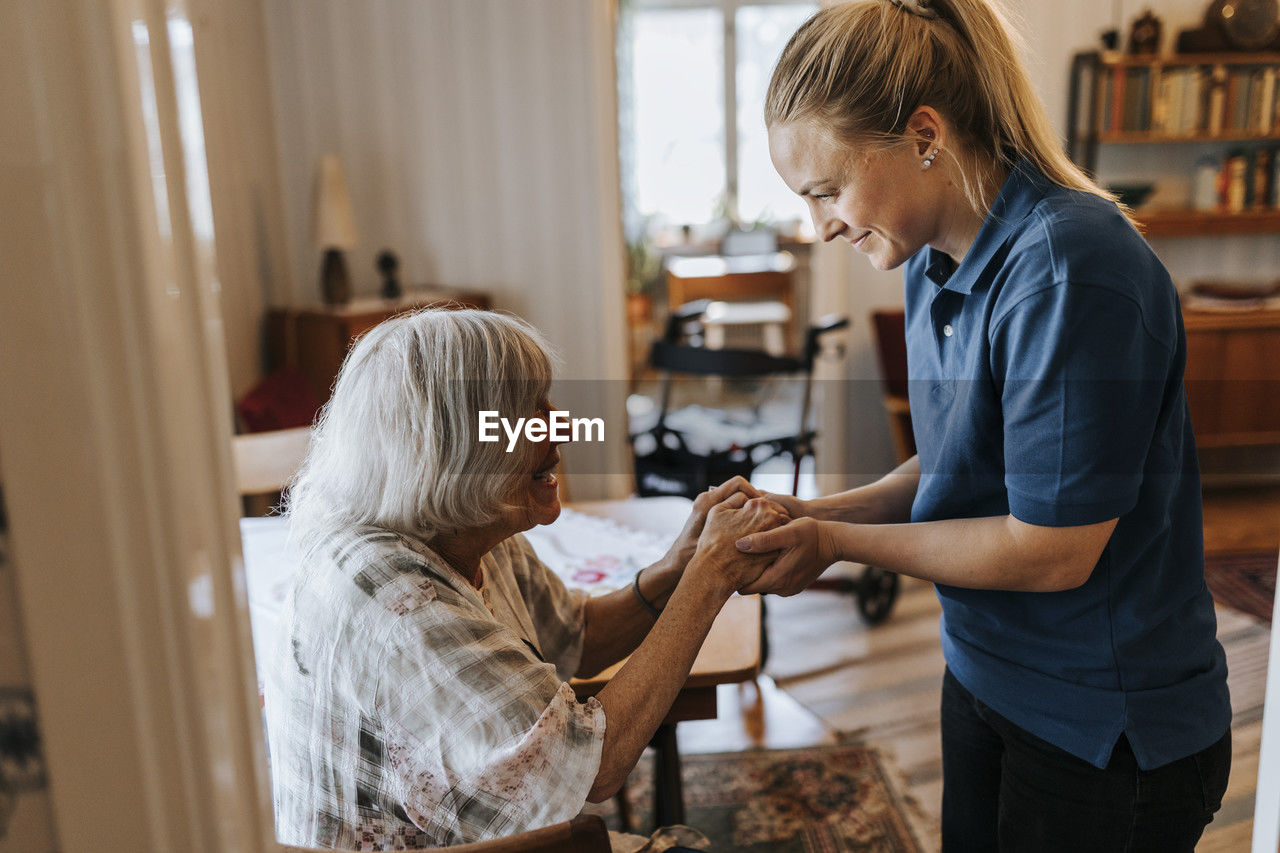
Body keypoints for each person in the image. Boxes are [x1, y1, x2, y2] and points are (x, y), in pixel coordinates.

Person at [737, 1, 1232, 850]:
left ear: (924, 134)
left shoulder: (1070, 267)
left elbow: (1052, 547)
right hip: (986, 671)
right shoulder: (930, 258)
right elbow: (951, 467)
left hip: (1103, 719)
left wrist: (837, 547)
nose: (820, 226)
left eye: (827, 190)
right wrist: (807, 517)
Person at [265, 308, 787, 849]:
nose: (560, 423)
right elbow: (589, 769)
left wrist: (680, 565)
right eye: (527, 412)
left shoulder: (466, 530)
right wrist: (709, 578)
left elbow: (577, 634)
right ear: (452, 445)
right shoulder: (398, 598)